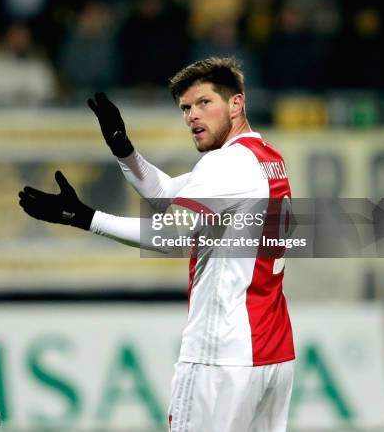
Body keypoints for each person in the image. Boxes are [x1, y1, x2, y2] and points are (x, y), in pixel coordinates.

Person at [18, 57, 295, 431]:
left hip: (222, 355)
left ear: (236, 103)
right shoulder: (267, 159)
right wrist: (124, 151)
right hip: (272, 354)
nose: (192, 116)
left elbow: (169, 234)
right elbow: (166, 193)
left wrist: (85, 218)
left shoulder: (227, 166)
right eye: (185, 108)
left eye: (204, 103)